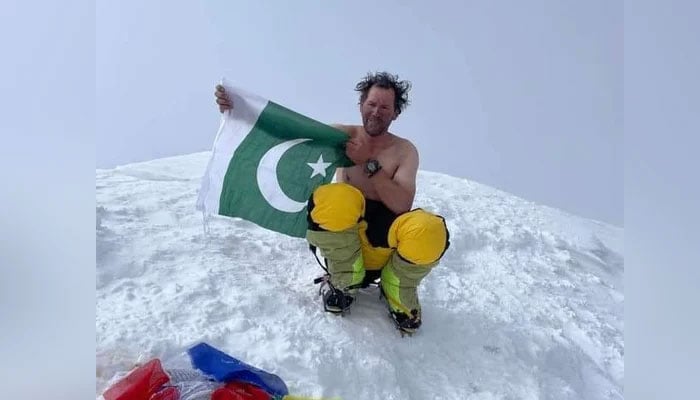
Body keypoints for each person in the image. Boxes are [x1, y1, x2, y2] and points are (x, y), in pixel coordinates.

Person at [214, 72, 449, 334]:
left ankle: (396, 287)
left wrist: (367, 164)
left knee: (430, 228)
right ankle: (344, 282)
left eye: (384, 107)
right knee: (333, 197)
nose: (376, 112)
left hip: (386, 245)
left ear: (395, 113)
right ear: (361, 105)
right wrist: (241, 111)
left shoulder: (404, 150)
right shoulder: (340, 135)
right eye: (371, 104)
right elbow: (286, 133)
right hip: (346, 245)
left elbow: (402, 204)